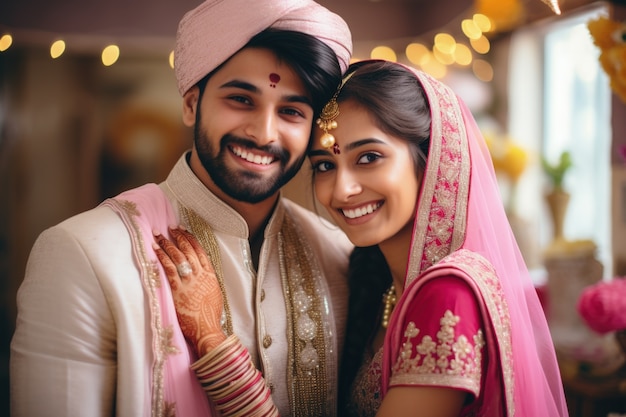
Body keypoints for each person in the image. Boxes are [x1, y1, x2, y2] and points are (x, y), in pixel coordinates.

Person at [156, 59, 569, 416]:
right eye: (324, 166)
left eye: (368, 158)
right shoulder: (381, 286)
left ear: (431, 159)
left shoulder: (447, 294)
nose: (341, 190)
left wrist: (214, 342)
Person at [9, 0, 353, 416]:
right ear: (191, 104)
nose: (264, 133)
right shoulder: (83, 253)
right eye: (241, 99)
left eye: (291, 111)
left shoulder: (339, 255)